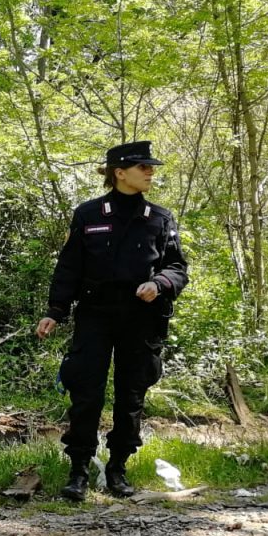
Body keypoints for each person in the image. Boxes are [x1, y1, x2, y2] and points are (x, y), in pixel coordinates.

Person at [36, 141, 188, 501]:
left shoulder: (160, 218)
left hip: (142, 319)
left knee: (131, 394)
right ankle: (78, 470)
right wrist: (55, 311)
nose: (150, 172)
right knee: (86, 392)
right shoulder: (89, 215)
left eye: (151, 167)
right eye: (143, 167)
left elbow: (178, 267)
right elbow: (69, 267)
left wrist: (159, 283)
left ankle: (118, 468)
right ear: (120, 172)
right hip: (95, 315)